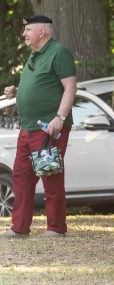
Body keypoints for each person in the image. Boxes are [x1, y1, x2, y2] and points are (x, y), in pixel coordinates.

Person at [1, 15, 76, 238]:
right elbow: (40, 85)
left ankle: (55, 228)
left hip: (48, 130)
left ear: (42, 32)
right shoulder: (34, 55)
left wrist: (59, 118)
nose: (24, 34)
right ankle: (19, 227)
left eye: (28, 30)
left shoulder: (58, 52)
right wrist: (18, 91)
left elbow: (70, 88)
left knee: (50, 176)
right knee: (21, 177)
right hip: (27, 129)